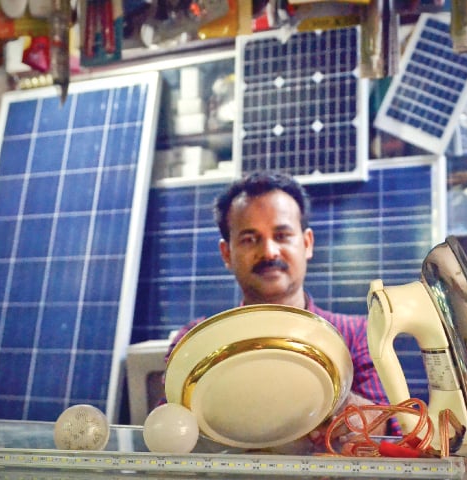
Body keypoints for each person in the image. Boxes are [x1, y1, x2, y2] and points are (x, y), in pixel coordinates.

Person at [164, 171, 400, 443]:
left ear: (307, 243)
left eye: (282, 235)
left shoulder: (359, 334)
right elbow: (167, 433)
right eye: (250, 239)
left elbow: (396, 427)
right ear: (226, 253)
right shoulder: (192, 343)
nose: (270, 252)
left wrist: (367, 419)